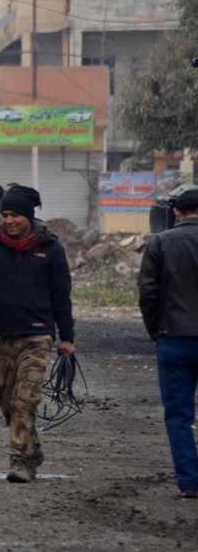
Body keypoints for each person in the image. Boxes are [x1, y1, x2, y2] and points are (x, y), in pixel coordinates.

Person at [0, 185, 76, 483]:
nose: (8, 221)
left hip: (38, 337)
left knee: (24, 401)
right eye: (4, 215)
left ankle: (20, 463)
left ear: (28, 216)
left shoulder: (50, 248)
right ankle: (32, 449)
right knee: (6, 401)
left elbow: (61, 295)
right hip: (5, 336)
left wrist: (67, 338)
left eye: (14, 215)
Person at [138, 187, 198, 499]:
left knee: (179, 416)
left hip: (174, 339)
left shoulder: (160, 242)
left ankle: (190, 482)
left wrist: (155, 331)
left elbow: (148, 294)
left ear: (175, 212)